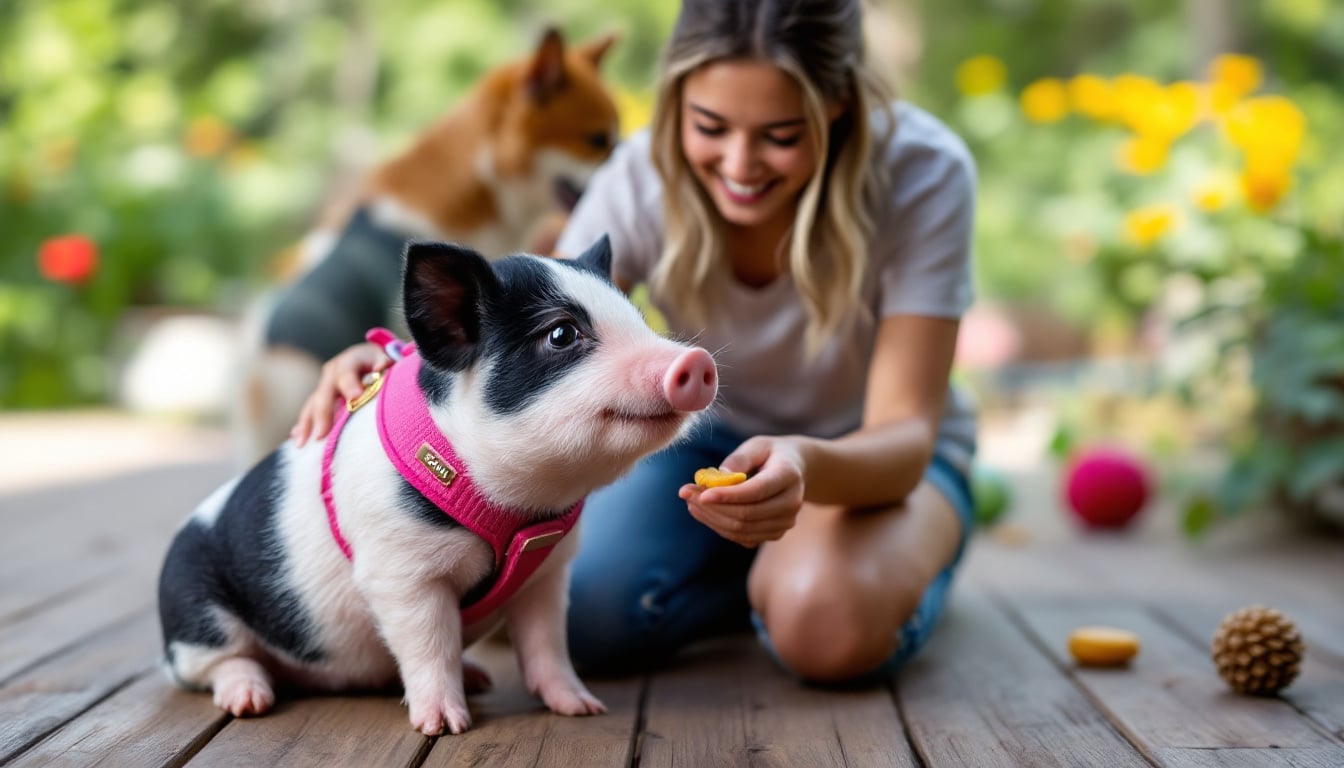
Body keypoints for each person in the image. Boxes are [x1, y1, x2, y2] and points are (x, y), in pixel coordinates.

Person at [292, 0, 977, 686]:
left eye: (781, 135)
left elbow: (904, 435)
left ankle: (856, 570)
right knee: (582, 616)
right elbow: (527, 333)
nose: (740, 164)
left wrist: (801, 463)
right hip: (704, 444)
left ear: (836, 105)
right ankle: (768, 569)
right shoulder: (643, 172)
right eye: (710, 126)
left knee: (823, 631)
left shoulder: (924, 172)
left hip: (870, 462)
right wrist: (397, 370)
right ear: (677, 97)